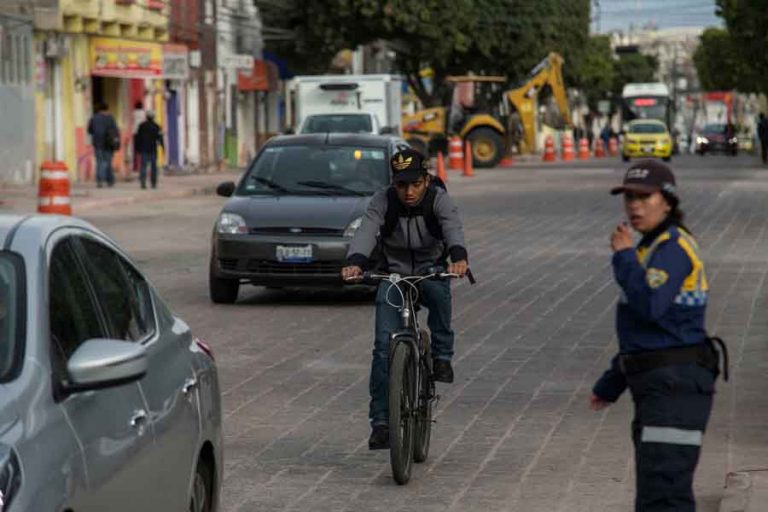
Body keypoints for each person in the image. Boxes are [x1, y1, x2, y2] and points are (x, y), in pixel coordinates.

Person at [591, 159, 725, 512]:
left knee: (665, 496)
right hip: (659, 386)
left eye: (644, 197)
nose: (634, 205)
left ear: (667, 201)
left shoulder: (673, 248)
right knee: (656, 494)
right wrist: (611, 383)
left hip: (677, 389)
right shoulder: (650, 247)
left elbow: (651, 305)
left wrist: (622, 258)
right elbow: (645, 332)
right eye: (629, 197)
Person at [341, 148, 469, 450]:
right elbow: (367, 229)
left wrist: (458, 257)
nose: (408, 192)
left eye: (415, 184)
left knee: (439, 294)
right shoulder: (382, 200)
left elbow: (452, 227)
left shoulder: (439, 199)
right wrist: (355, 260)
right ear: (393, 184)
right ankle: (382, 423)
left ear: (426, 180)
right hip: (394, 274)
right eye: (401, 185)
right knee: (383, 348)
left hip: (430, 269)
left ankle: (442, 357)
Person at [87, 103, 120, 188]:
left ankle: (99, 181)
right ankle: (110, 181)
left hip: (98, 143)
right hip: (108, 144)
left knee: (99, 162)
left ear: (99, 109)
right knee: (108, 162)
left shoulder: (94, 118)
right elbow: (116, 131)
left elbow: (89, 130)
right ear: (107, 109)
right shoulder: (110, 118)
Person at [134, 111, 164, 189]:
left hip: (144, 149)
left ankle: (143, 183)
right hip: (153, 150)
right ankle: (153, 183)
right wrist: (163, 147)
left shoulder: (141, 126)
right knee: (153, 167)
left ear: (146, 117)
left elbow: (137, 138)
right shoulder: (157, 126)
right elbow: (160, 138)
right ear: (153, 117)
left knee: (143, 166)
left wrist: (137, 148)